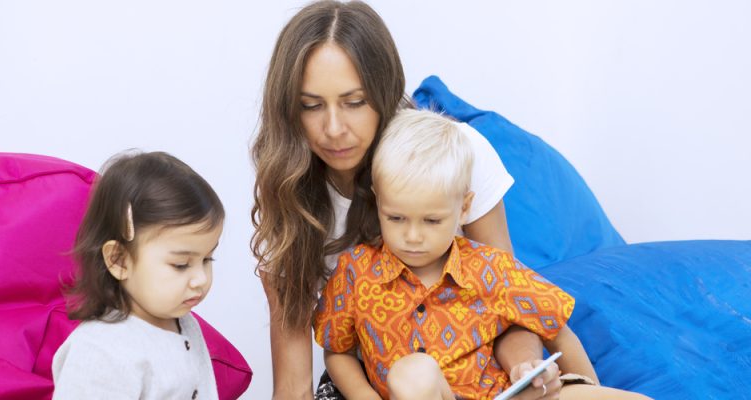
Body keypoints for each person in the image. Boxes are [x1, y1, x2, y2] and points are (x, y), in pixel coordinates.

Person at [251, 1, 595, 398]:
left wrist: (527, 371)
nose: (333, 129)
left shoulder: (456, 152)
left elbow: (506, 305)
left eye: (355, 102)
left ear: (383, 92)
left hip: (484, 376)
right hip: (382, 385)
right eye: (310, 106)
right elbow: (295, 385)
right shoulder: (290, 189)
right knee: (413, 378)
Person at [313, 109, 651, 400]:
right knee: (413, 372)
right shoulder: (357, 271)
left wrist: (587, 385)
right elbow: (337, 348)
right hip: (419, 392)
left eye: (432, 221)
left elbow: (557, 329)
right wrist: (363, 395)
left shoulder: (490, 267)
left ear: (463, 209)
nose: (412, 237)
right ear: (378, 201)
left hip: (498, 394)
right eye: (396, 218)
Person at [52, 152, 224, 399]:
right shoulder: (99, 352)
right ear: (118, 260)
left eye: (207, 259)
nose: (201, 279)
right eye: (181, 264)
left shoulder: (184, 322)